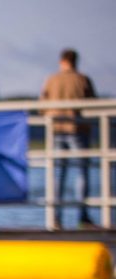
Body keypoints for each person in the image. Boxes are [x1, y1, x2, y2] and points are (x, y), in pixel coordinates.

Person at [41, 48, 97, 229]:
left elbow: (42, 106)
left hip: (56, 129)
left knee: (58, 175)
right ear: (76, 61)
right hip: (77, 128)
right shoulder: (82, 79)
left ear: (62, 61)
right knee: (82, 172)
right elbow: (93, 105)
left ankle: (56, 218)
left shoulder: (52, 80)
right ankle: (83, 216)